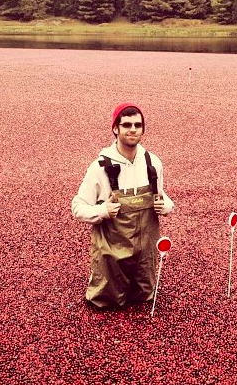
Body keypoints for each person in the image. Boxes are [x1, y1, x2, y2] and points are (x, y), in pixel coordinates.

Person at [71, 103, 174, 309]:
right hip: (112, 253)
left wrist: (166, 206)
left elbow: (162, 196)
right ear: (115, 129)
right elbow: (77, 207)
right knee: (107, 304)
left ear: (143, 129)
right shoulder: (100, 168)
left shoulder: (153, 163)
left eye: (138, 124)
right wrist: (102, 211)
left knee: (143, 300)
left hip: (146, 254)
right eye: (126, 125)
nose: (133, 129)